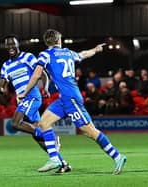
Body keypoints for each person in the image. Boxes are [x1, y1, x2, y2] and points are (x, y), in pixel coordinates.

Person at [19, 29, 126, 174]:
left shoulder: (45, 54)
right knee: (44, 123)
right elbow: (83, 54)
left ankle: (118, 156)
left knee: (90, 132)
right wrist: (95, 49)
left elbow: (37, 74)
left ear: (47, 42)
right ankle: (55, 159)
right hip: (65, 98)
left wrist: (25, 92)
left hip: (71, 98)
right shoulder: (68, 53)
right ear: (58, 40)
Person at [0, 35, 70, 172]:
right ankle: (63, 163)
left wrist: (46, 88)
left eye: (13, 44)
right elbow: (2, 88)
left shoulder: (27, 57)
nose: (10, 47)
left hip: (32, 96)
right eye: (8, 45)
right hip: (23, 100)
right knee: (37, 137)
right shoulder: (6, 66)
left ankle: (51, 138)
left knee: (15, 123)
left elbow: (42, 74)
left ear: (18, 45)